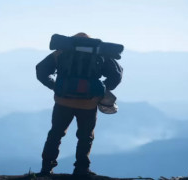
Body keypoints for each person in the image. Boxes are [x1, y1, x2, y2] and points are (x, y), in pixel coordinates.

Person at [36, 32, 123, 176]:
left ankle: (46, 169)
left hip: (63, 101)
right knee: (85, 136)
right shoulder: (100, 53)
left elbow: (41, 70)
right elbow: (116, 75)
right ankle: (82, 170)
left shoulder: (62, 52)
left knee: (55, 134)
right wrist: (101, 89)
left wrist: (55, 86)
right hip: (88, 104)